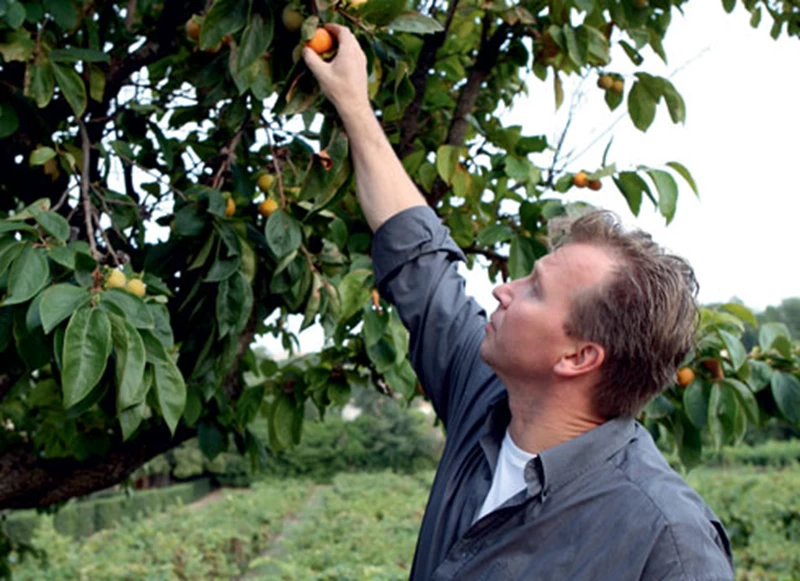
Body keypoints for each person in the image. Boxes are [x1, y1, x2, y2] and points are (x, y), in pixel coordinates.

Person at [303, 25, 735, 581]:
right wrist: (354, 104)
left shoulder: (666, 541)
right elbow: (421, 264)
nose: (502, 291)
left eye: (533, 289)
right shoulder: (483, 403)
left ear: (578, 357)